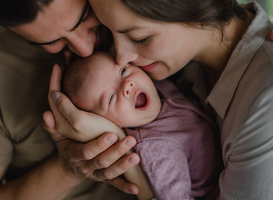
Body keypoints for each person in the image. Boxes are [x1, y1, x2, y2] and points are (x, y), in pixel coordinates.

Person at [0, 0, 273, 199]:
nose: (120, 56)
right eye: (52, 41)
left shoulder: (262, 102)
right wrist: (73, 164)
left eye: (139, 37)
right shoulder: (178, 61)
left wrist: (132, 164)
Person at [62, 51, 223, 200]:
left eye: (123, 71)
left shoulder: (158, 86)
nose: (127, 85)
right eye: (111, 98)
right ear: (106, 122)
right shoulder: (156, 148)